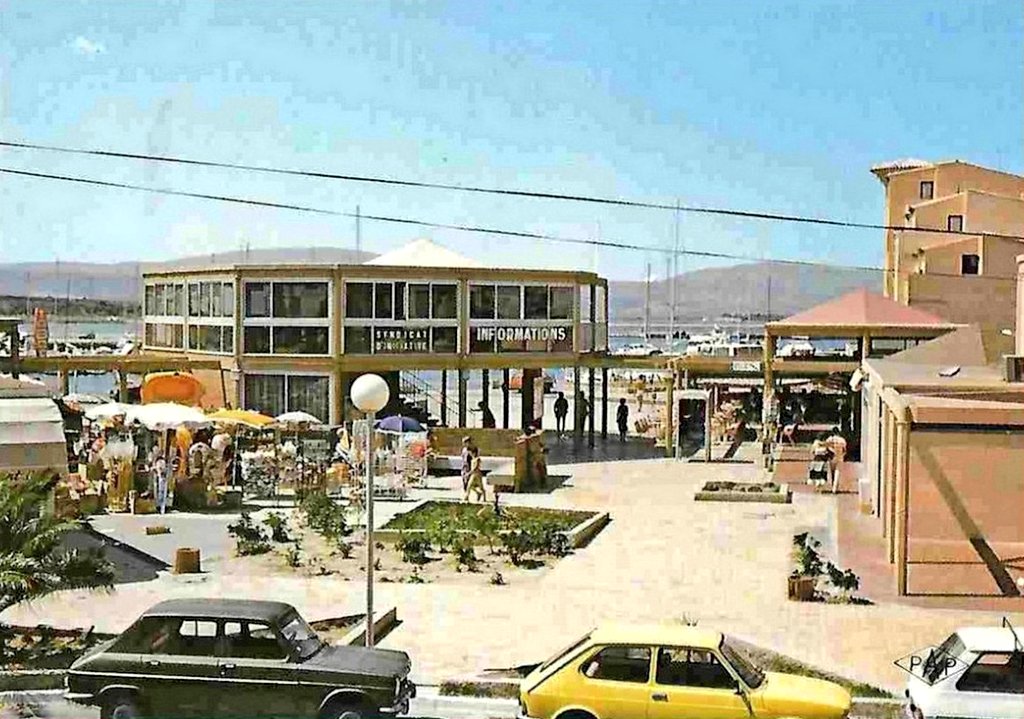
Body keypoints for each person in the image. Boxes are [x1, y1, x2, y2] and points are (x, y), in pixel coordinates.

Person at [825, 427, 848, 493]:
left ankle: (832, 485)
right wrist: (843, 455)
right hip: (839, 457)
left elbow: (826, 448)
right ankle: (835, 488)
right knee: (837, 472)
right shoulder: (842, 440)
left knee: (832, 472)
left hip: (831, 457)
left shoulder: (829, 439)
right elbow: (845, 450)